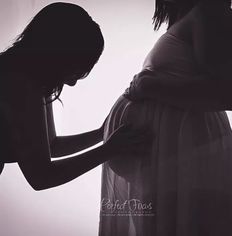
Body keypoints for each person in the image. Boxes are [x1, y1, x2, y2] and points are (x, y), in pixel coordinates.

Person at [99, 0, 232, 235]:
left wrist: (154, 87)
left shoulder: (209, 11)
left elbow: (229, 91)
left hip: (188, 159)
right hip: (174, 162)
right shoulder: (191, 17)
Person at [0, 2, 148, 191]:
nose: (72, 83)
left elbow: (51, 145)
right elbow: (40, 176)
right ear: (58, 57)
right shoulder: (19, 83)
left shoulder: (27, 74)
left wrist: (102, 133)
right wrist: (110, 150)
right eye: (73, 71)